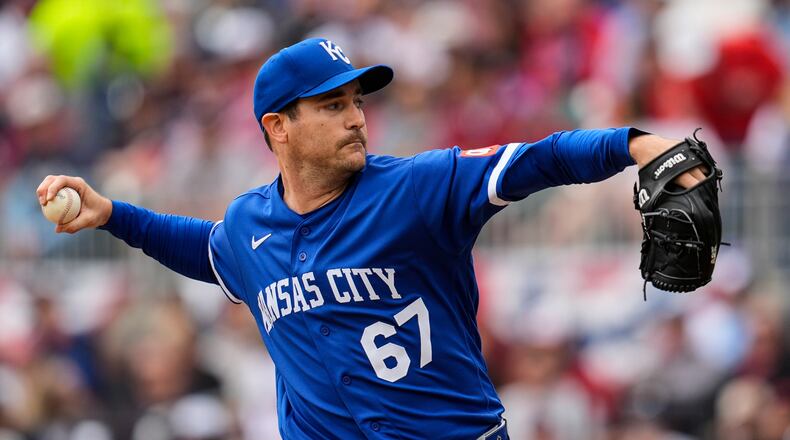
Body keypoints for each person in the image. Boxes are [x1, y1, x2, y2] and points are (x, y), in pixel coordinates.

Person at [36, 38, 708, 440]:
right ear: (277, 127)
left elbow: (542, 158)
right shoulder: (248, 227)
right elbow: (206, 250)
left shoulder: (416, 188)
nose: (356, 118)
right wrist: (113, 214)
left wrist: (635, 144)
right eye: (332, 106)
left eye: (357, 101)